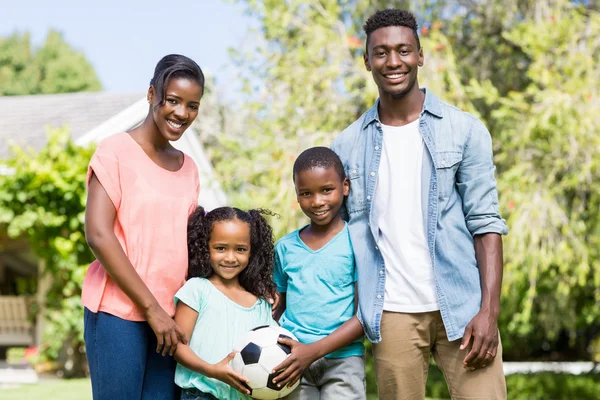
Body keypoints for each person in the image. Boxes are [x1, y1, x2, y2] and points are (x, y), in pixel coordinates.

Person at [331, 9, 509, 400]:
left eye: (403, 50)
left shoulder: (463, 129)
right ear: (366, 61)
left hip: (464, 308)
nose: (393, 62)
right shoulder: (346, 146)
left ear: (420, 55)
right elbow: (335, 235)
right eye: (380, 53)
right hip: (390, 311)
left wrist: (489, 312)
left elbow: (486, 224)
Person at [83, 54, 205, 400]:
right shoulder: (115, 151)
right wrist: (152, 310)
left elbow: (190, 247)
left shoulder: (189, 169)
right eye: (173, 101)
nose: (182, 113)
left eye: (192, 106)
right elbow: (98, 234)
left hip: (170, 321)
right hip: (118, 316)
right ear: (152, 94)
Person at [270, 147, 366, 400]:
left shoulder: (357, 243)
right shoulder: (285, 248)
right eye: (306, 193)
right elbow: (276, 308)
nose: (317, 201)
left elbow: (364, 316)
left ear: (345, 186)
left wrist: (312, 351)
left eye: (327, 190)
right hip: (292, 360)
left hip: (343, 360)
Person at [173, 206, 277, 400]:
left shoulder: (261, 303)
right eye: (220, 248)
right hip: (201, 395)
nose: (230, 258)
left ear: (251, 251)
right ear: (206, 247)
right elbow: (178, 347)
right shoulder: (197, 289)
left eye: (240, 249)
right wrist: (212, 370)